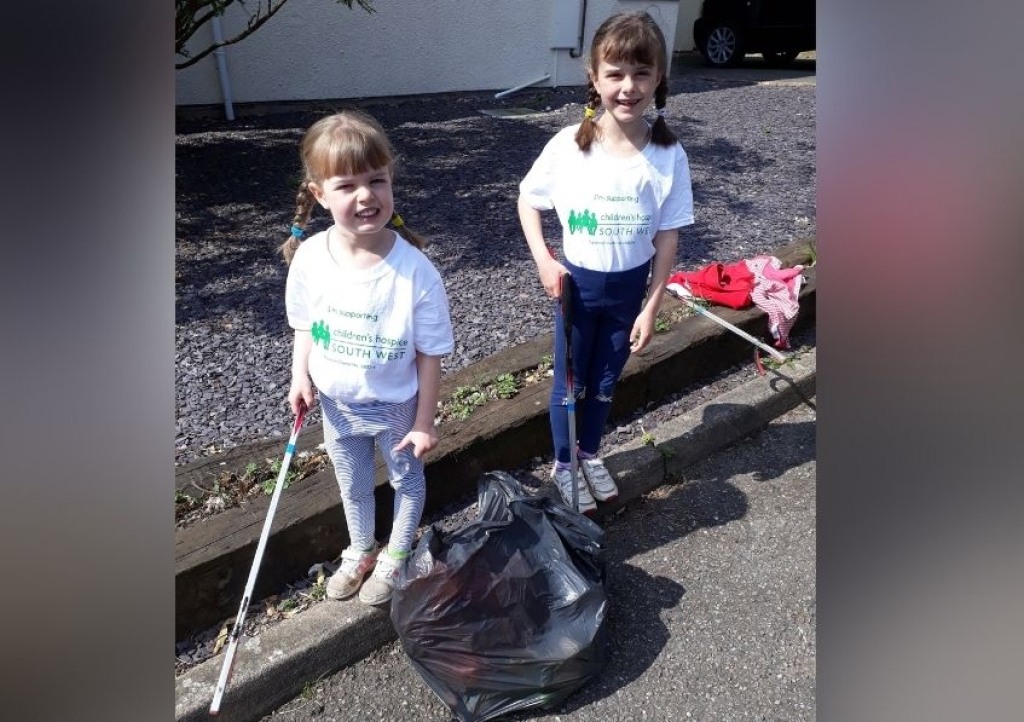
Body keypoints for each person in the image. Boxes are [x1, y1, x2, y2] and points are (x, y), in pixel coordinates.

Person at [517, 11, 694, 515]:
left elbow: (668, 234)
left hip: (627, 292)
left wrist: (652, 305)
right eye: (614, 73)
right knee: (569, 384)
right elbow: (529, 201)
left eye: (642, 73)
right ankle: (564, 464)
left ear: (659, 78)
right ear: (593, 78)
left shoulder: (668, 154)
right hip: (576, 287)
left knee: (604, 382)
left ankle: (590, 453)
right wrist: (545, 263)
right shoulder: (569, 148)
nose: (628, 86)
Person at [282, 110, 454, 605]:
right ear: (319, 194)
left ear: (391, 180)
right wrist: (300, 377)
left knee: (406, 481)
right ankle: (360, 548)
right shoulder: (312, 258)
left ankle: (397, 554)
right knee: (353, 484)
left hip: (396, 406)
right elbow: (305, 324)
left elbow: (430, 354)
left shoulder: (416, 272)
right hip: (337, 406)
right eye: (347, 185)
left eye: (376, 180)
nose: (365, 196)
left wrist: (424, 422)